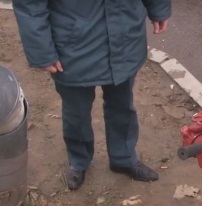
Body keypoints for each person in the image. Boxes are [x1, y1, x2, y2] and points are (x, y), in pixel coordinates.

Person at [12, 0, 171, 190]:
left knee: (123, 104)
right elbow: (30, 4)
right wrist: (42, 51)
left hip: (124, 36)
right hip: (72, 42)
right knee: (76, 111)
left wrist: (158, 8)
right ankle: (79, 161)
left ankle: (124, 157)